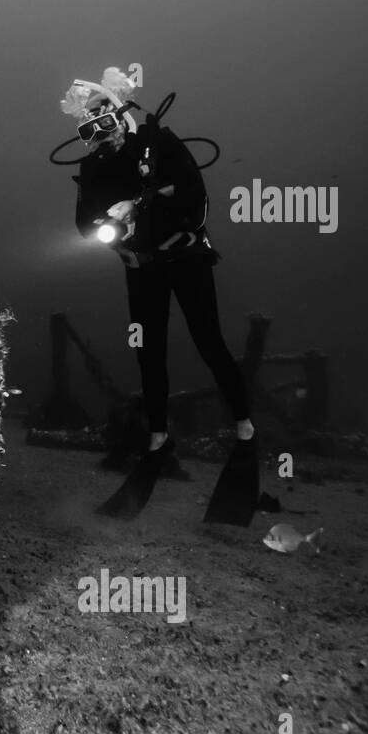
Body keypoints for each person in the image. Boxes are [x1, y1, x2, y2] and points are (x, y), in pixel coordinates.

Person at [60, 68, 257, 524]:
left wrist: (139, 204)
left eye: (102, 123)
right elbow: (83, 225)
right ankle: (156, 438)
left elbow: (197, 197)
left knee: (210, 342)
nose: (98, 136)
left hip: (186, 259)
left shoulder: (158, 143)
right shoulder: (93, 167)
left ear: (118, 112)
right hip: (141, 268)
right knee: (149, 354)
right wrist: (109, 230)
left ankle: (244, 428)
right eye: (88, 131)